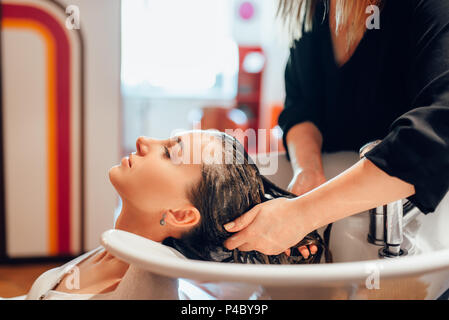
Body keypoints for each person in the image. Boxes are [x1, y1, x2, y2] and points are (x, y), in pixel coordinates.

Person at [224, 0, 449, 256]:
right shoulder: (315, 9)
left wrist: (303, 214)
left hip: (430, 233)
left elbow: (439, 131)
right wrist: (307, 172)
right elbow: (300, 107)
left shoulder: (428, 7)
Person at [16, 131, 330, 300]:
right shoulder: (116, 251)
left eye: (169, 153)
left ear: (180, 215)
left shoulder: (148, 289)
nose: (143, 142)